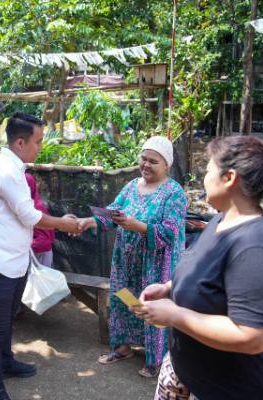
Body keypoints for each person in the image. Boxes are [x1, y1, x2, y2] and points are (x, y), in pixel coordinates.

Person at [133, 136, 263, 400]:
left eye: (208, 170)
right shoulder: (221, 220)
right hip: (189, 372)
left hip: (230, 388)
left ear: (229, 178)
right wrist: (169, 288)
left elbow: (254, 337)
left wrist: (175, 315)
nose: (205, 178)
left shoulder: (256, 248)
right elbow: (205, 274)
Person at [0, 112, 80, 400]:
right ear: (20, 142)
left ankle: (5, 362)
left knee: (5, 322)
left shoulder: (14, 167)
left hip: (13, 261)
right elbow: (29, 215)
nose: (40, 147)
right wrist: (63, 223)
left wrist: (58, 220)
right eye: (38, 141)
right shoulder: (5, 170)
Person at [76, 136, 187, 378]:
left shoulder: (174, 193)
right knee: (124, 301)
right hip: (126, 260)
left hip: (155, 265)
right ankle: (123, 347)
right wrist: (88, 221)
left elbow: (170, 232)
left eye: (153, 161)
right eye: (143, 159)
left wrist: (137, 225)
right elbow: (112, 214)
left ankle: (154, 359)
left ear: (166, 164)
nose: (146, 165)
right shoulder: (131, 186)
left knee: (150, 307)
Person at [26, 173, 55, 267]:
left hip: (41, 254)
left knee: (40, 280)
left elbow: (44, 241)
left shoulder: (36, 208)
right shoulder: (29, 205)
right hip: (34, 252)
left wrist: (21, 246)